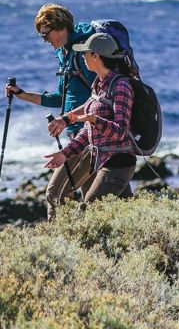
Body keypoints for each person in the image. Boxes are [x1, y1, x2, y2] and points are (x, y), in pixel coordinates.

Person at [5, 3, 97, 218]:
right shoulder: (65, 56)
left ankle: (62, 246)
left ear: (60, 27)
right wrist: (22, 94)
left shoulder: (83, 54)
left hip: (90, 136)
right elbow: (60, 99)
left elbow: (100, 97)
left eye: (45, 34)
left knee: (56, 194)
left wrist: (65, 119)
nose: (44, 40)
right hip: (78, 135)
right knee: (95, 201)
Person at [42, 32, 136, 204]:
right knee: (120, 212)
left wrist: (93, 119)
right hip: (101, 160)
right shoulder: (98, 85)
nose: (82, 56)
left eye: (85, 52)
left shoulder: (121, 86)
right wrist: (65, 154)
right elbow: (87, 132)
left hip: (118, 163)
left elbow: (121, 131)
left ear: (96, 56)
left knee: (91, 206)